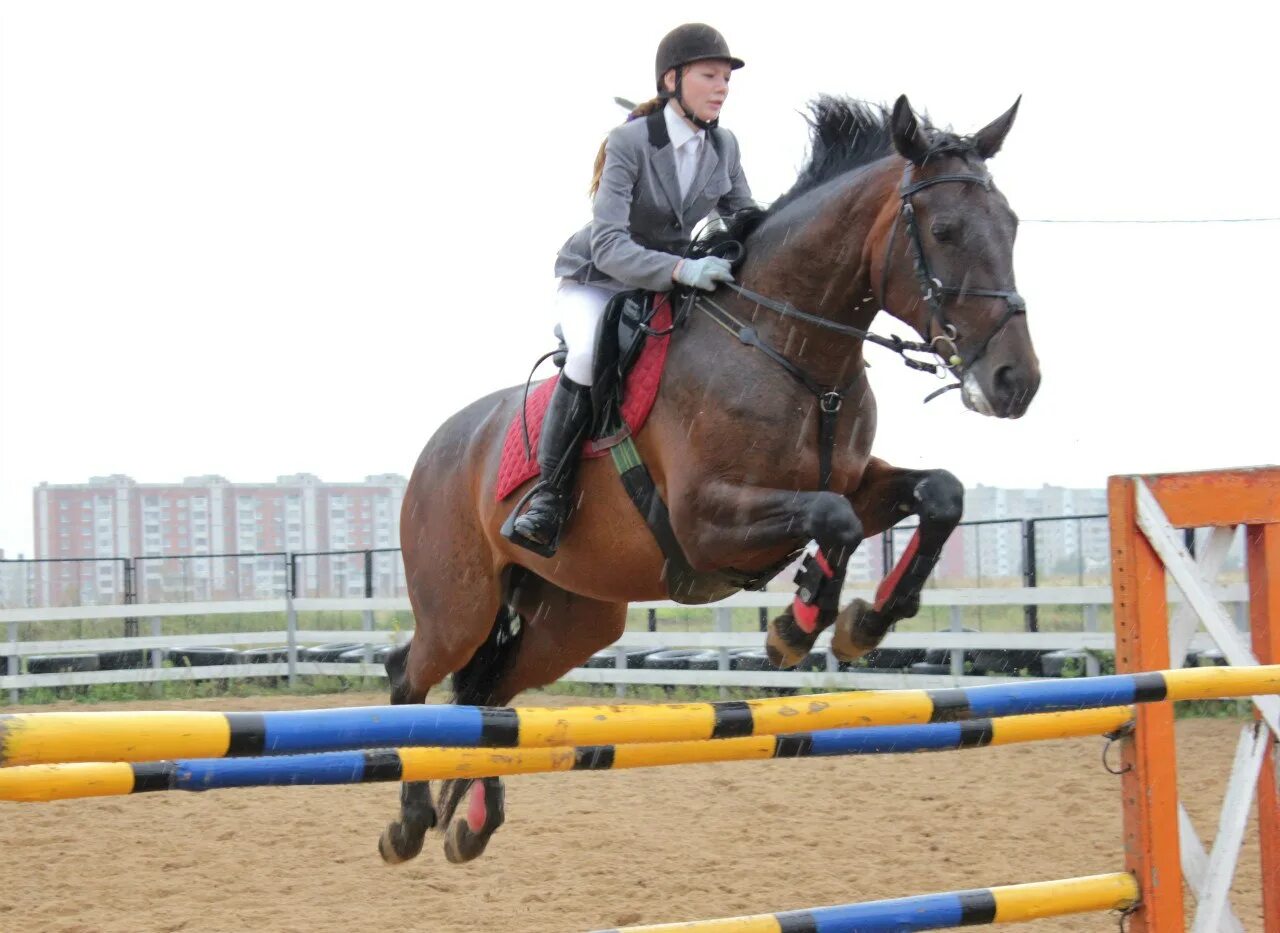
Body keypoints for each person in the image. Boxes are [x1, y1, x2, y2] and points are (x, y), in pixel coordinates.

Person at [506, 22, 756, 556]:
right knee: (591, 351)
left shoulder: (724, 145)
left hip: (662, 280)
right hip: (596, 279)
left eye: (726, 80)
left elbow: (745, 217)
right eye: (710, 76)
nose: (722, 88)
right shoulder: (629, 143)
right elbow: (610, 246)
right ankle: (548, 497)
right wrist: (683, 271)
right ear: (673, 80)